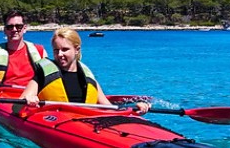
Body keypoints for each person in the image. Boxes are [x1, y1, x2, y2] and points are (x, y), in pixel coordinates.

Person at [21, 27, 150, 113]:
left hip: (85, 125)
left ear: (76, 49)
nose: (60, 54)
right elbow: (16, 107)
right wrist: (28, 100)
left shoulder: (87, 76)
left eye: (65, 49)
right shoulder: (43, 75)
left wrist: (133, 109)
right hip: (56, 123)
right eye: (56, 50)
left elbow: (108, 108)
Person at [0, 10, 47, 88]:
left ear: (24, 29)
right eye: (10, 27)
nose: (14, 30)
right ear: (5, 30)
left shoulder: (40, 51)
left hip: (31, 97)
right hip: (2, 98)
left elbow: (49, 78)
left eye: (18, 26)